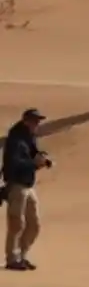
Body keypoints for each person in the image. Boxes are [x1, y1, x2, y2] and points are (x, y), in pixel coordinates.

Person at [1, 108, 52, 271]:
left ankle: (22, 256)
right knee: (17, 223)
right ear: (25, 121)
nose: (37, 124)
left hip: (28, 185)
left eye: (38, 121)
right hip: (16, 185)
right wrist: (34, 163)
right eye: (34, 121)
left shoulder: (28, 137)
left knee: (34, 224)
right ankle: (12, 259)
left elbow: (33, 154)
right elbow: (14, 163)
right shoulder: (15, 139)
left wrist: (43, 159)